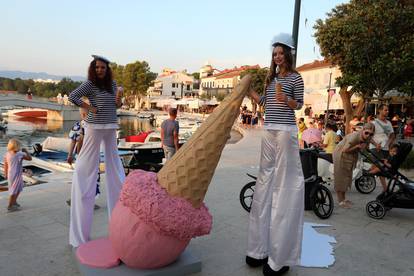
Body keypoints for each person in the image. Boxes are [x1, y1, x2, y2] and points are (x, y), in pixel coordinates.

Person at [245, 33, 304, 275]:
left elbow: (299, 104)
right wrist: (250, 92)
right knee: (264, 183)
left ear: (288, 54)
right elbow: (264, 104)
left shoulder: (295, 77)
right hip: (269, 131)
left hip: (286, 132)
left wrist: (286, 99)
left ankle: (281, 256)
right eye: (274, 54)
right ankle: (259, 249)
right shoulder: (271, 78)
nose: (277, 57)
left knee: (285, 186)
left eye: (280, 53)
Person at [68, 55, 125, 247]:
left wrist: (119, 98)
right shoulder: (90, 84)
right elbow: (72, 96)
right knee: (85, 167)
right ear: (94, 68)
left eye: (103, 67)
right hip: (93, 127)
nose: (101, 70)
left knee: (115, 166)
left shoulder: (113, 83)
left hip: (110, 127)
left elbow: (116, 106)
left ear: (108, 69)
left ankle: (120, 224)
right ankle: (79, 234)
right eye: (98, 67)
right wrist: (89, 107)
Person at [333, 123, 377, 208]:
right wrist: (357, 146)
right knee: (341, 178)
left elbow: (370, 140)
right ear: (362, 130)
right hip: (341, 155)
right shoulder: (354, 137)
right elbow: (345, 150)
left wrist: (376, 145)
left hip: (350, 156)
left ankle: (344, 199)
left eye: (371, 134)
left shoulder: (366, 137)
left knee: (347, 178)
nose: (368, 135)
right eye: (367, 133)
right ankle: (340, 201)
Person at [66, 107, 100, 210]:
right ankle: (88, 202)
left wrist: (70, 155)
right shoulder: (94, 126)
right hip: (92, 156)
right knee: (92, 179)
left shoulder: (77, 126)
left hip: (80, 156)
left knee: (81, 178)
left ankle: (77, 199)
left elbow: (72, 142)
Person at [371, 104, 395, 191]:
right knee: (381, 167)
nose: (387, 111)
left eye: (387, 110)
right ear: (380, 111)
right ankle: (385, 189)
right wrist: (375, 144)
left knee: (380, 168)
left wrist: (389, 143)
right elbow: (368, 136)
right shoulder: (373, 123)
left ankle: (366, 175)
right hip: (376, 148)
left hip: (385, 148)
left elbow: (392, 135)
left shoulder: (389, 123)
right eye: (385, 110)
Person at [3, 138, 32, 212]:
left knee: (18, 188)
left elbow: (5, 165)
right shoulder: (20, 154)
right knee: (14, 190)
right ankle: (10, 206)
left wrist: (5, 174)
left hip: (11, 174)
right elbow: (30, 158)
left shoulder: (7, 154)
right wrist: (26, 151)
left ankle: (14, 202)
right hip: (16, 174)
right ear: (17, 146)